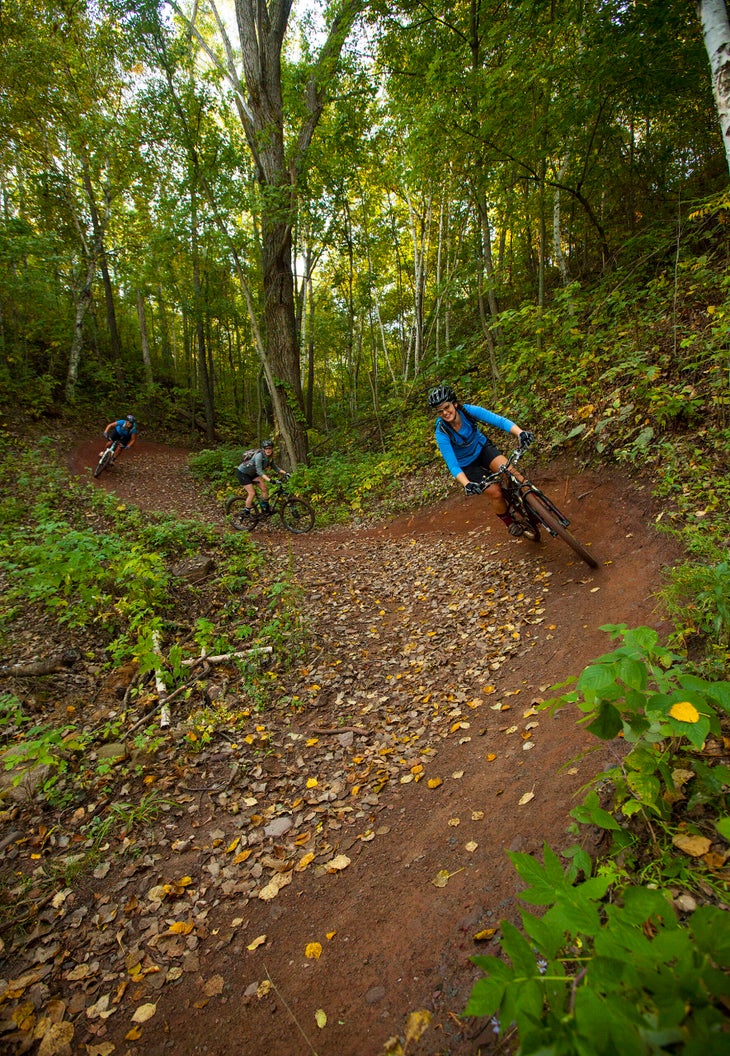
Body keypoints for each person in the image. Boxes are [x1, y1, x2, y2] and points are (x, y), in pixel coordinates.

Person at [428, 385, 534, 536]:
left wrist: (520, 433)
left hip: (483, 449)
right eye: (440, 411)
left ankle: (537, 504)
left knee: (513, 474)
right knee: (495, 492)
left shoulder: (469, 411)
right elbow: (452, 464)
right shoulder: (442, 432)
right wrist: (467, 484)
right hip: (467, 465)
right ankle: (509, 522)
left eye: (447, 407)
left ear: (455, 404)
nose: (445, 413)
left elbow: (499, 421)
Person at [235, 439, 288, 523]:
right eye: (266, 448)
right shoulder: (259, 456)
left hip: (253, 474)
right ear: (263, 449)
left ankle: (265, 508)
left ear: (272, 449)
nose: (268, 450)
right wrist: (270, 480)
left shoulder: (269, 457)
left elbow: (275, 468)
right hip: (243, 473)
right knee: (252, 493)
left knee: (264, 488)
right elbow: (259, 471)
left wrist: (286, 473)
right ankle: (246, 512)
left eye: (270, 448)